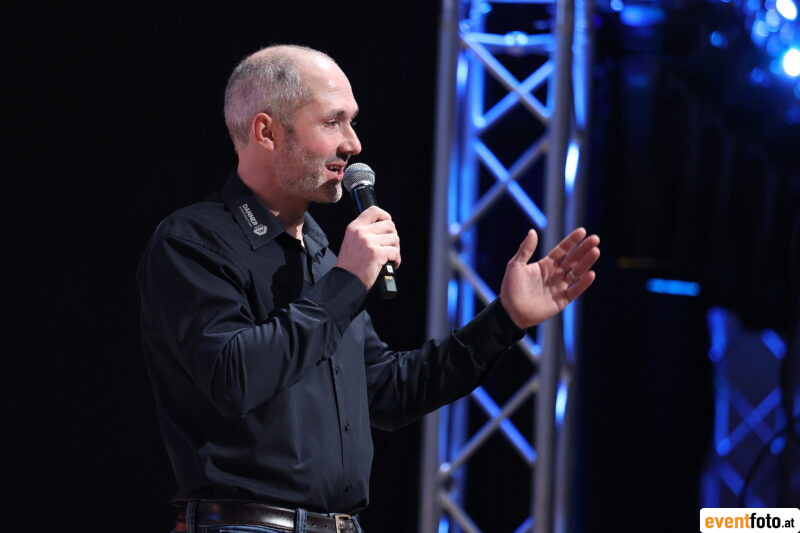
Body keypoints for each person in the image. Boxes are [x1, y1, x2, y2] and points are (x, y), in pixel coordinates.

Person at [136, 44, 600, 533]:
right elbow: (234, 378)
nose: (353, 144)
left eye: (352, 122)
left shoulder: (321, 251)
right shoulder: (193, 242)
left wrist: (505, 319)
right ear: (266, 132)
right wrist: (348, 281)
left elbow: (388, 392)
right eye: (332, 122)